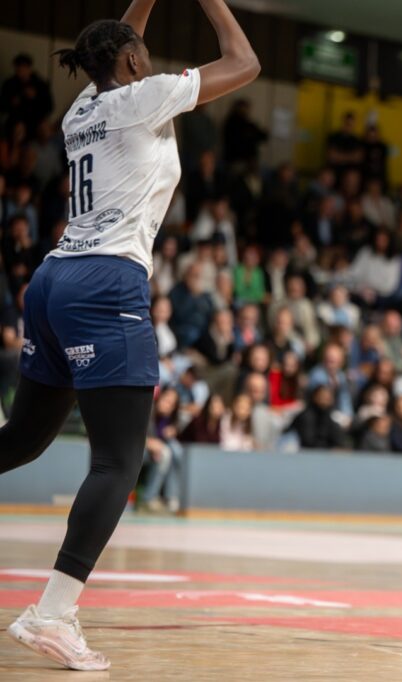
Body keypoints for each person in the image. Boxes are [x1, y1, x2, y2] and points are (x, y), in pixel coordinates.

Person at [1, 0, 259, 671]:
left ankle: (55, 612)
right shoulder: (144, 96)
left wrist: (141, 2)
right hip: (105, 286)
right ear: (134, 63)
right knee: (119, 461)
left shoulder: (82, 110)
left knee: (22, 441)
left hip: (54, 281)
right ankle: (52, 614)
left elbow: (117, 45)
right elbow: (246, 64)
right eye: (140, 52)